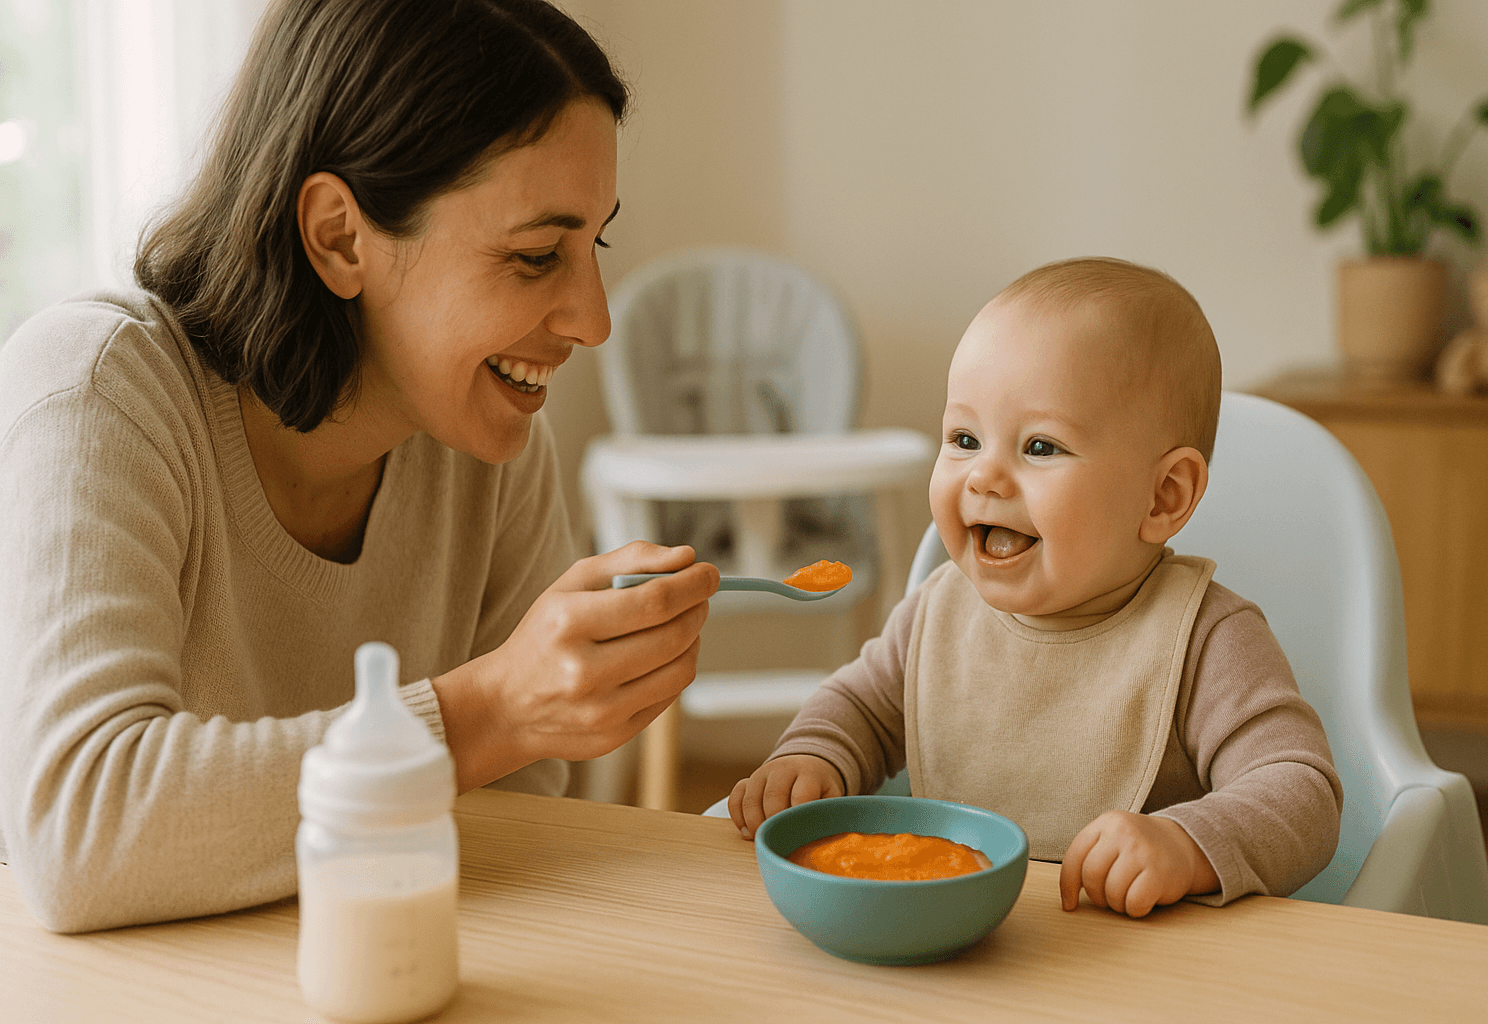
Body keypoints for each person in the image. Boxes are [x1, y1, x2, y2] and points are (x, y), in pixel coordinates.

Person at [0, 0, 719, 934]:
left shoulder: (489, 445)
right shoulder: (101, 391)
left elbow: (513, 816)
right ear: (340, 236)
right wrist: (487, 711)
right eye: (538, 255)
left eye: (595, 245)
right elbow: (80, 830)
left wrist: (521, 726)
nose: (593, 319)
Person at [729, 257, 1343, 919]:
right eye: (964, 438)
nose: (984, 477)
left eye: (1041, 447)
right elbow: (862, 708)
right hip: (954, 936)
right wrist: (815, 757)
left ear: (1163, 496)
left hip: (1129, 962)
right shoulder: (938, 612)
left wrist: (1185, 843)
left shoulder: (1205, 639)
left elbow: (1301, 792)